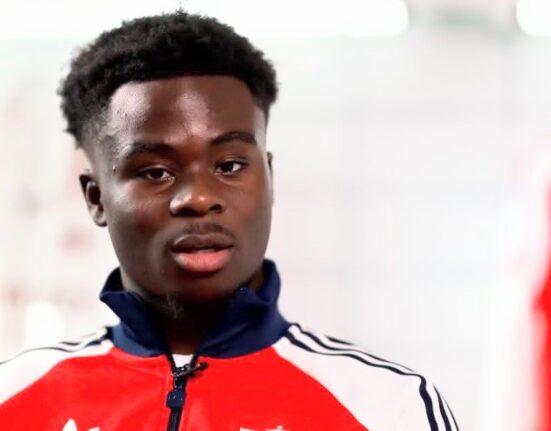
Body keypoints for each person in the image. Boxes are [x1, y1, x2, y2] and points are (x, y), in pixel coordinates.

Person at [0, 11, 458, 430]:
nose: (199, 198)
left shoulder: (389, 409)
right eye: (155, 172)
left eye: (230, 165)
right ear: (96, 198)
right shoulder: (13, 399)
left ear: (269, 178)